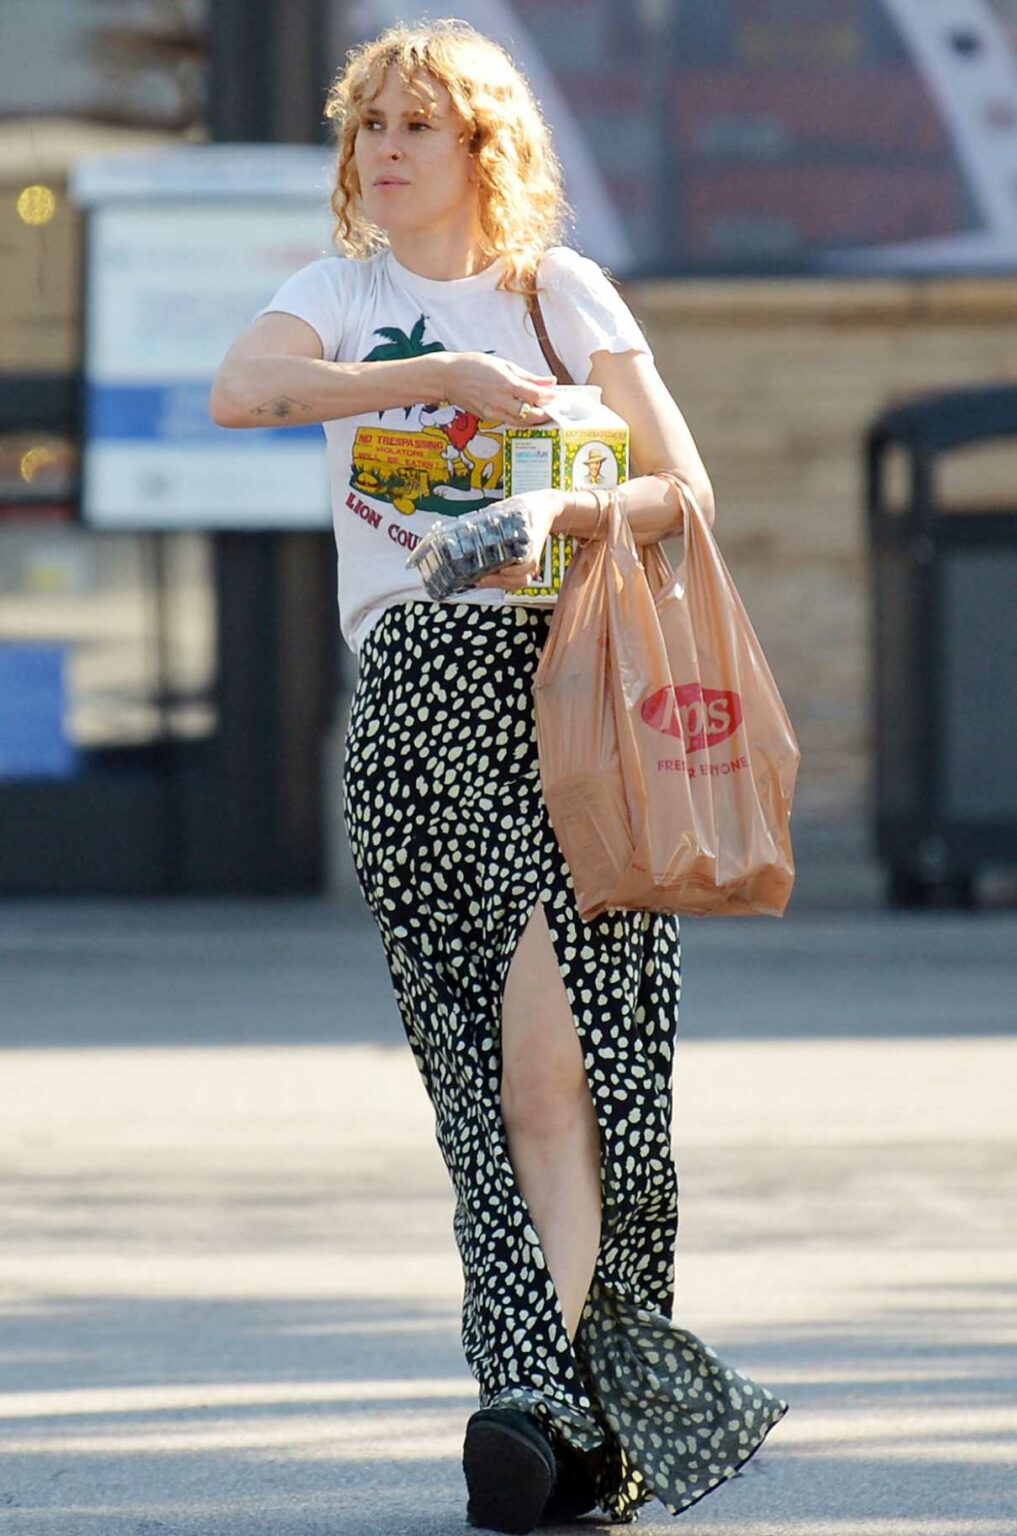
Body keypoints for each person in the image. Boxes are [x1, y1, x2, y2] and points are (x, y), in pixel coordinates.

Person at [210, 17, 788, 1533]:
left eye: (413, 127)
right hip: (411, 703)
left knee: (567, 1068)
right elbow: (241, 393)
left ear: (482, 149)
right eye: (365, 129)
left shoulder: (561, 292)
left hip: (565, 693)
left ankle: (547, 1401)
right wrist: (442, 375)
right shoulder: (335, 295)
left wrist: (562, 524)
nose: (380, 153)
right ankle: (550, 1417)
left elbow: (683, 492)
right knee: (474, 1081)